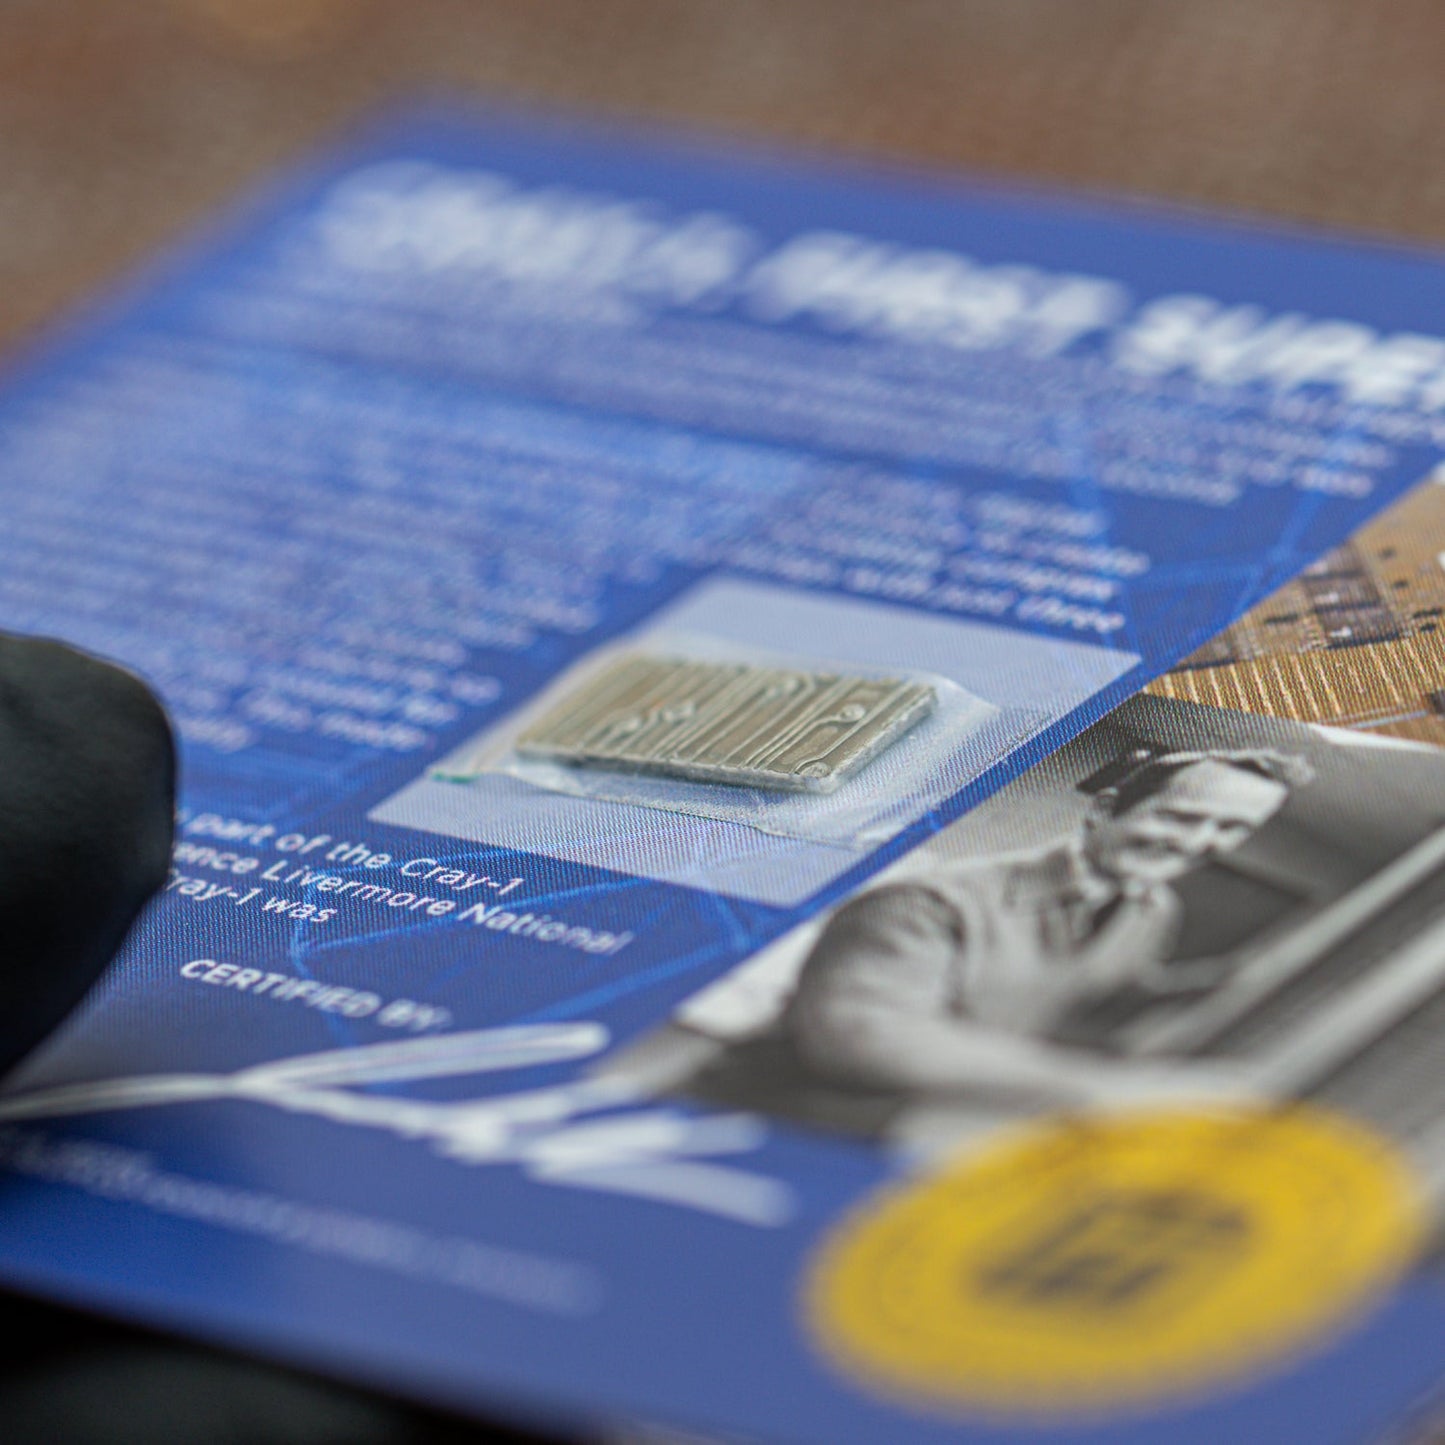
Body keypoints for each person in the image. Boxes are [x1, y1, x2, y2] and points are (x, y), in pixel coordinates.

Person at [782, 747, 1313, 1121]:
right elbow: (862, 1040)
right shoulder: (927, 904)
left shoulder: (1153, 908)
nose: (1198, 843)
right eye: (1180, 817)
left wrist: (1213, 982)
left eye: (1230, 829)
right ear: (1105, 810)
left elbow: (1100, 991)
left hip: (946, 1126)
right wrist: (1122, 1090)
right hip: (808, 1124)